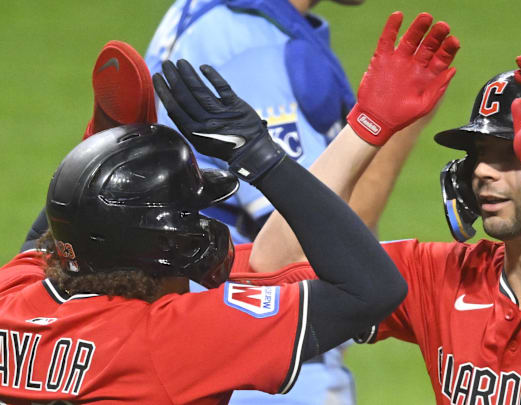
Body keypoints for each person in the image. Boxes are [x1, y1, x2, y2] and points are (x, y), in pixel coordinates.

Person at [1, 12, 458, 403]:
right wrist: (260, 155)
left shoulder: (14, 299)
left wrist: (106, 143)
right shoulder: (170, 340)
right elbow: (372, 288)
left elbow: (52, 238)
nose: (202, 226)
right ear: (166, 245)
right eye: (192, 216)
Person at [244, 51, 521, 404]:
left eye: (513, 154)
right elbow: (276, 265)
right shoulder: (439, 275)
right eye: (479, 154)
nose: (483, 173)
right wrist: (366, 128)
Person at [144, 2, 447, 403]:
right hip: (261, 355)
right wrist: (394, 127)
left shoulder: (208, 15)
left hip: (208, 338)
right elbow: (303, 249)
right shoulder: (252, 45)